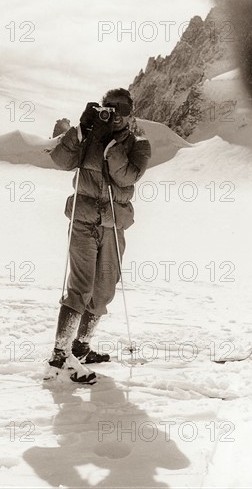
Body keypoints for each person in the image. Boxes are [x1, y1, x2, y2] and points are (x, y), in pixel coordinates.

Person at [47, 88, 151, 383]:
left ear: (130, 113)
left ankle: (80, 348)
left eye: (121, 108)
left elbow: (126, 176)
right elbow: (61, 160)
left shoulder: (138, 144)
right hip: (83, 221)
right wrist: (81, 130)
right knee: (80, 287)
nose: (115, 113)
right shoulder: (88, 134)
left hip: (113, 225)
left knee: (104, 290)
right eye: (109, 107)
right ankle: (58, 358)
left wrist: (110, 147)